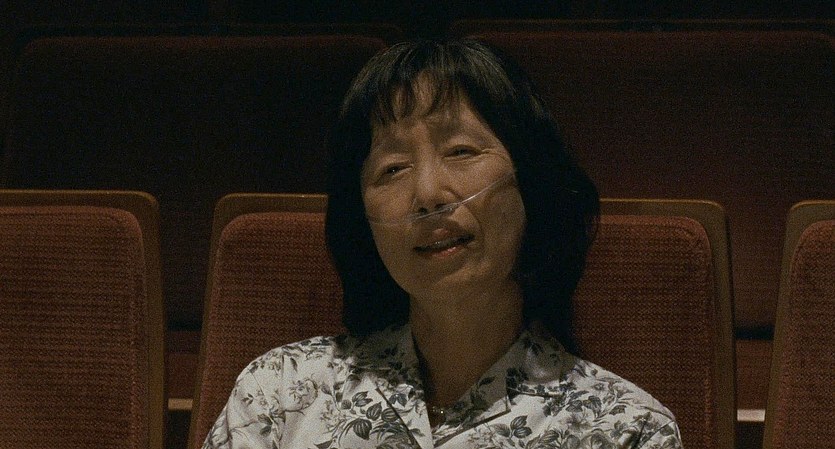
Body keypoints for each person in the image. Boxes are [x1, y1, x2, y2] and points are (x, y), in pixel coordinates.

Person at [203, 39, 683, 449]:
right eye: (392, 168)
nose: (428, 194)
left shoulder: (626, 429)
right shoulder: (279, 395)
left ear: (532, 183)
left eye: (461, 151)